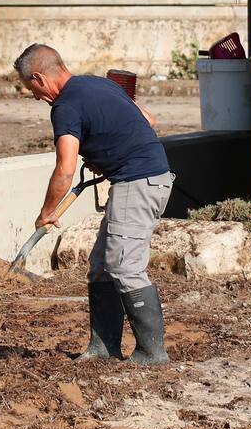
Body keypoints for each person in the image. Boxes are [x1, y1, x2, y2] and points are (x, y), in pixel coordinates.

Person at [13, 43, 172, 365]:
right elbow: (148, 120)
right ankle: (102, 347)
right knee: (101, 266)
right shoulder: (98, 84)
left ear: (40, 78)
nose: (35, 97)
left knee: (124, 266)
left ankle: (152, 353)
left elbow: (65, 169)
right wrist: (108, 152)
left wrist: (47, 212)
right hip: (143, 179)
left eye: (31, 89)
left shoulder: (65, 107)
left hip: (137, 182)